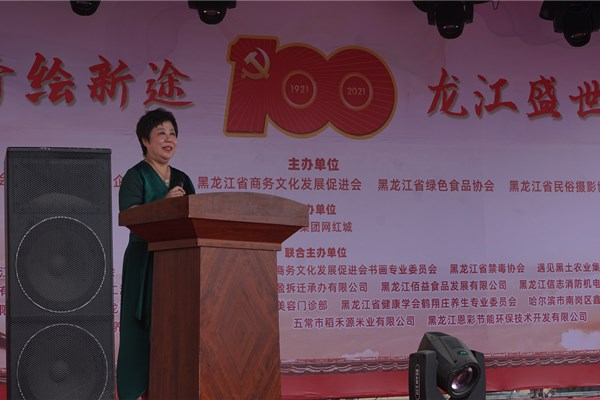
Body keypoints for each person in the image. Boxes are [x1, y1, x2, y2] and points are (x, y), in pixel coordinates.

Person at [116, 108, 195, 400]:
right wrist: (163, 202)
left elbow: (195, 217)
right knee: (139, 327)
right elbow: (129, 216)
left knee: (175, 325)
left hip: (178, 262)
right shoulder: (135, 176)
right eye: (161, 133)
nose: (169, 139)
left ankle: (173, 387)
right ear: (145, 140)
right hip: (143, 260)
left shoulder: (182, 178)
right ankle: (137, 391)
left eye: (173, 134)